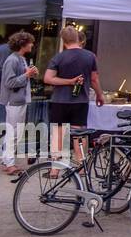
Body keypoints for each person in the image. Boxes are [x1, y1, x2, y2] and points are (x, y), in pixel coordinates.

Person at [44, 25, 104, 164]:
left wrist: (68, 81)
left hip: (59, 101)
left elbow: (48, 78)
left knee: (59, 135)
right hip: (80, 101)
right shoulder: (90, 56)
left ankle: (55, 169)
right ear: (78, 38)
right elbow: (94, 79)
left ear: (63, 41)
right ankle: (82, 166)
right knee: (79, 135)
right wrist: (100, 95)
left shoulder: (58, 57)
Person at [0, 31, 38, 175]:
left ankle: (6, 161)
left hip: (19, 100)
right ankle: (9, 163)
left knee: (15, 132)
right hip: (14, 101)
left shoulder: (20, 59)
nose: (32, 45)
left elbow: (19, 78)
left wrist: (29, 74)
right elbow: (9, 82)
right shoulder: (13, 60)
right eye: (30, 42)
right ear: (23, 44)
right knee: (13, 132)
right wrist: (26, 75)